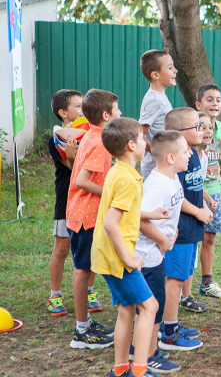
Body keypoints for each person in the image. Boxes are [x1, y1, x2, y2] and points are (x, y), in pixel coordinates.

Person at [91, 117, 159, 377]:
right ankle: (139, 371)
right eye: (143, 139)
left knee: (126, 310)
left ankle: (121, 371)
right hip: (118, 258)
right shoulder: (129, 180)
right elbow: (111, 223)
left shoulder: (119, 170)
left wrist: (150, 213)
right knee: (150, 307)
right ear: (131, 145)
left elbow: (122, 210)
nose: (146, 143)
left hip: (106, 255)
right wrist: (128, 258)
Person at [131, 130, 191, 374]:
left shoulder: (172, 177)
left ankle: (148, 349)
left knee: (157, 303)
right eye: (185, 151)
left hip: (157, 254)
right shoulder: (156, 185)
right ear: (170, 157)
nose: (189, 155)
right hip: (146, 256)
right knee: (151, 308)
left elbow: (170, 210)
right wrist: (163, 240)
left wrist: (171, 232)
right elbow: (140, 221)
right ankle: (146, 354)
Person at [66, 89, 121, 349]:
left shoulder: (94, 134)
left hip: (84, 213)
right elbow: (82, 181)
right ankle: (81, 331)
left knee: (86, 268)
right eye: (117, 110)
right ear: (105, 115)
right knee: (82, 269)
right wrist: (111, 192)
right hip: (85, 215)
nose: (120, 113)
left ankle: (85, 323)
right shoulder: (99, 142)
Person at [159, 107, 213, 351]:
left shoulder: (192, 154)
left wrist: (204, 202)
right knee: (174, 279)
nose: (202, 130)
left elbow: (194, 187)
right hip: (179, 228)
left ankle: (172, 323)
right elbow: (177, 196)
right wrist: (198, 211)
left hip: (192, 227)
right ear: (178, 133)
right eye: (197, 127)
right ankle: (168, 333)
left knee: (182, 276)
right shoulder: (177, 159)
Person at [47, 89, 101, 316]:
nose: (82, 110)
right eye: (78, 106)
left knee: (91, 248)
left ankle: (89, 292)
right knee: (62, 248)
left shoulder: (90, 135)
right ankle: (55, 296)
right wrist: (71, 154)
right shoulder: (57, 139)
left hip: (90, 201)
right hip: (67, 200)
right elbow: (74, 170)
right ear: (63, 112)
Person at [194, 83, 221, 298]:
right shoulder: (192, 127)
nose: (215, 103)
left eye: (218, 100)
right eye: (209, 99)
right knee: (191, 238)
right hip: (194, 190)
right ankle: (183, 286)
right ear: (198, 104)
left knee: (209, 238)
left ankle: (207, 283)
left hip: (215, 189)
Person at [139, 49, 177, 180]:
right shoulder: (155, 100)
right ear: (155, 75)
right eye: (170, 67)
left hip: (163, 163)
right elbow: (138, 132)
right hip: (156, 166)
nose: (175, 71)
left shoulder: (158, 97)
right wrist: (157, 153)